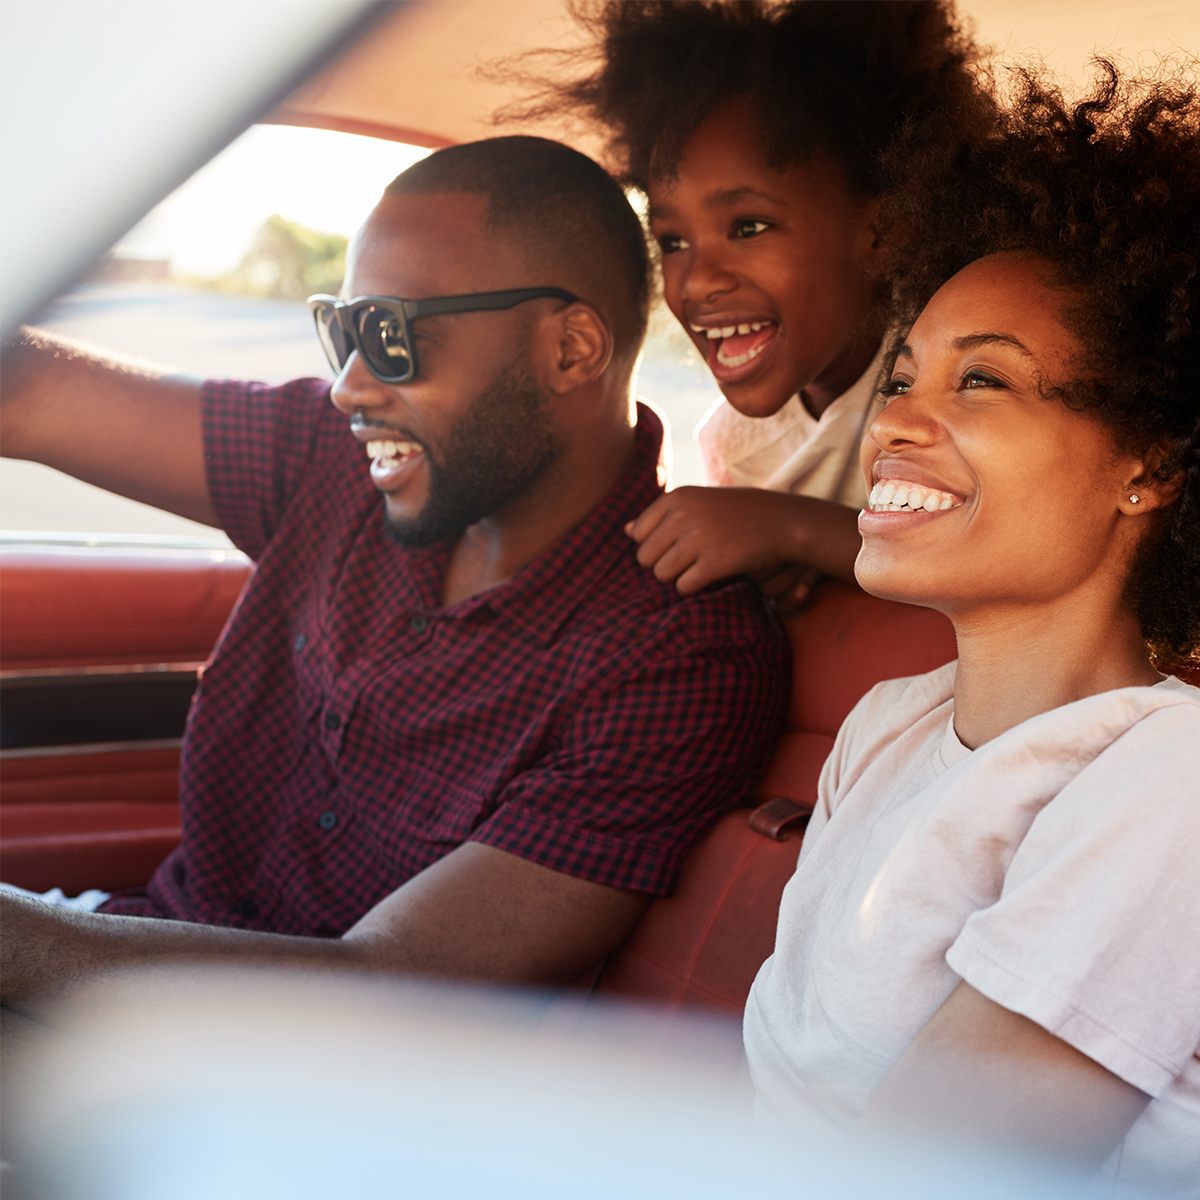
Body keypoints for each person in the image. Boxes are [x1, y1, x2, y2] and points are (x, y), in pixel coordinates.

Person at [0, 137, 790, 1020]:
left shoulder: (680, 655)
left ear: (570, 350)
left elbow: (394, 981)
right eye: (340, 329)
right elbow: (25, 394)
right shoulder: (329, 461)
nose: (347, 386)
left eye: (390, 336)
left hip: (280, 1092)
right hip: (127, 957)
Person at [742, 61, 1200, 1189]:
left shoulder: (1172, 778)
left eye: (984, 381)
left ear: (1148, 466)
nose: (897, 419)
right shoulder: (889, 728)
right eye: (903, 378)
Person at [507, 0, 993, 606]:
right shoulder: (735, 444)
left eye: (748, 227)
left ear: (885, 227)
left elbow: (998, 558)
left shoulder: (961, 379)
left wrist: (792, 528)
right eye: (673, 241)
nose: (698, 281)